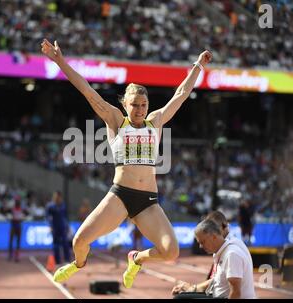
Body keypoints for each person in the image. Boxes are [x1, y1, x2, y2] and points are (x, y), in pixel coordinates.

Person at [41, 38, 212, 288]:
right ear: (125, 104)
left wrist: (198, 65)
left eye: (143, 105)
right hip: (120, 196)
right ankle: (77, 265)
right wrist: (60, 61)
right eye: (134, 105)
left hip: (148, 202)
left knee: (171, 251)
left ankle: (137, 258)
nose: (140, 109)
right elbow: (87, 90)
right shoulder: (116, 120)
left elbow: (181, 94)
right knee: (79, 242)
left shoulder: (156, 122)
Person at [172, 219, 256, 299]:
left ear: (214, 237)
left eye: (203, 242)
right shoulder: (222, 251)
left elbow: (236, 292)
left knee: (180, 298)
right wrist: (193, 288)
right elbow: (217, 280)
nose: (201, 246)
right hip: (218, 295)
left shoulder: (231, 254)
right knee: (182, 295)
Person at [46, 191, 71, 265]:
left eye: (59, 197)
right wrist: (50, 226)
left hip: (63, 227)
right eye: (56, 196)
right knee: (56, 245)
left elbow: (66, 217)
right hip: (55, 228)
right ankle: (57, 262)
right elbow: (47, 217)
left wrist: (67, 226)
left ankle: (67, 260)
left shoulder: (63, 205)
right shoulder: (50, 206)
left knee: (65, 244)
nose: (57, 198)